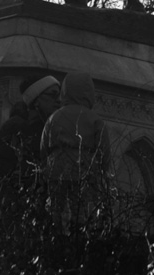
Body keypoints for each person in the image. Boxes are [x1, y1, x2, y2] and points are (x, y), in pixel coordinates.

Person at [40, 72, 111, 233]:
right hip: (84, 170)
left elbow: (43, 149)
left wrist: (46, 168)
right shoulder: (94, 119)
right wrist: (102, 174)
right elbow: (104, 151)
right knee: (81, 212)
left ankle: (56, 237)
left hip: (56, 169)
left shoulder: (54, 117)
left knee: (56, 211)